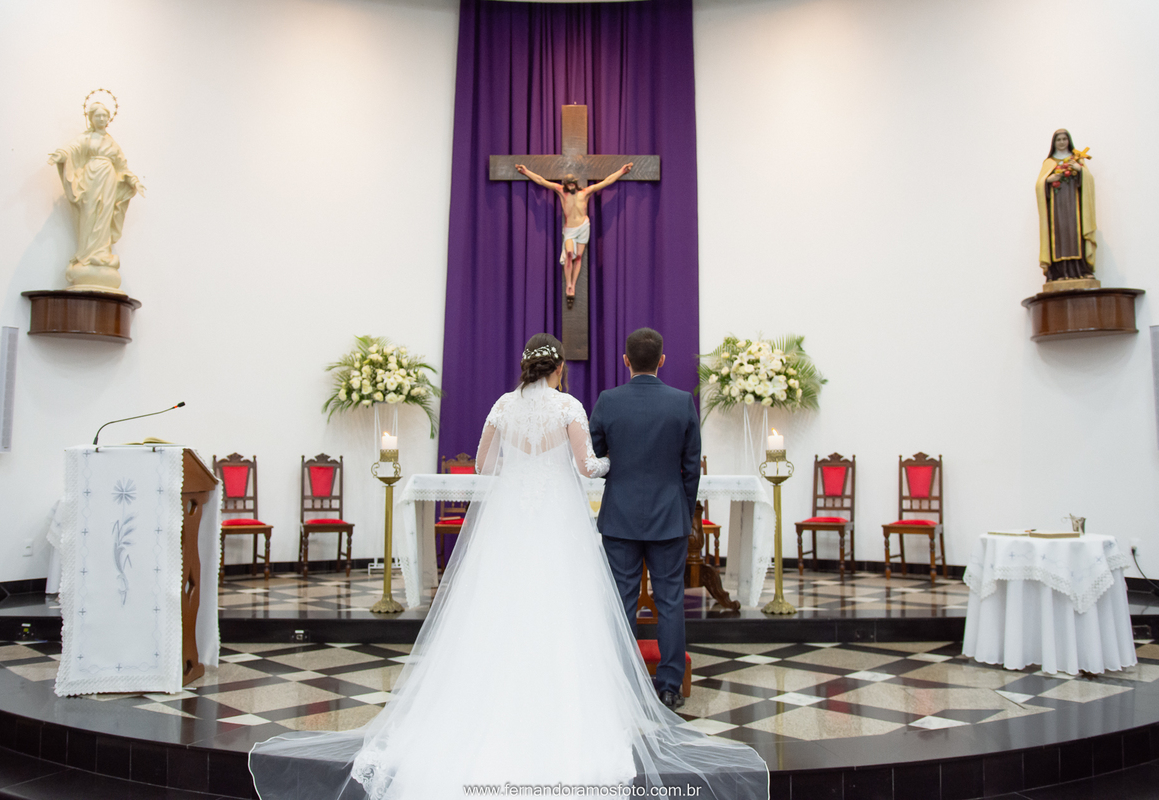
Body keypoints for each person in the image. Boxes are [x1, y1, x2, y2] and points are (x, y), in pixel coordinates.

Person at [247, 332, 768, 799]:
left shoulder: (503, 404)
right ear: (558, 367)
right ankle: (639, 689)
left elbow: (482, 466)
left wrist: (531, 470)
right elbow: (591, 465)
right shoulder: (575, 407)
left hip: (515, 522)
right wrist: (620, 469)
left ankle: (490, 698)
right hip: (585, 521)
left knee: (505, 602)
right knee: (589, 603)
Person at [589, 327, 699, 712]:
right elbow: (691, 468)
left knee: (622, 601)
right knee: (670, 602)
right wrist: (684, 511)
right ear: (662, 361)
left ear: (626, 361)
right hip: (669, 517)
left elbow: (596, 458)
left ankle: (623, 685)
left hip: (620, 517)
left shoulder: (609, 401)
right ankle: (669, 687)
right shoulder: (682, 401)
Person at [48, 101, 143, 293]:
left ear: (108, 119)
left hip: (108, 180)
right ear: (91, 118)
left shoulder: (112, 143)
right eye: (97, 115)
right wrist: (60, 156)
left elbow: (122, 167)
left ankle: (101, 253)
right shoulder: (86, 138)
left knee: (104, 215)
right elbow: (71, 149)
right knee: (90, 213)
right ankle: (86, 254)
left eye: (104, 116)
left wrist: (133, 180)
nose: (101, 119)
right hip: (90, 178)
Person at [514, 162, 632, 307]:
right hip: (570, 229)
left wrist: (621, 171)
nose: (570, 187)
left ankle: (572, 286)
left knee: (579, 257)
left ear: (575, 184)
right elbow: (541, 181)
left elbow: (606, 181)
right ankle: (568, 283)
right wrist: (526, 172)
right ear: (565, 185)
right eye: (568, 184)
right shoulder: (560, 192)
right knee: (569, 253)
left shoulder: (585, 193)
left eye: (572, 184)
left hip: (583, 227)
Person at [1036, 128, 1096, 282]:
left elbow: (1088, 181)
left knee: (1076, 233)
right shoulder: (1049, 163)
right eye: (1058, 140)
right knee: (1059, 235)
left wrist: (1079, 171)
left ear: (1069, 141)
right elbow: (1039, 185)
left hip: (1075, 206)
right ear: (1054, 143)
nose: (1062, 143)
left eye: (1064, 139)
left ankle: (1081, 269)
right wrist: (1048, 180)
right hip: (1056, 208)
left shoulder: (1077, 159)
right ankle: (1058, 272)